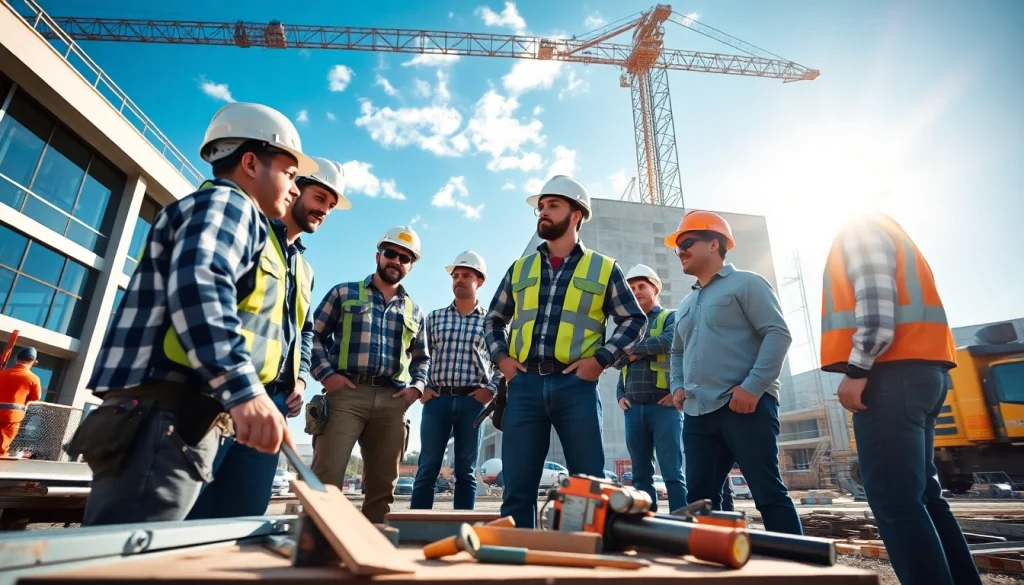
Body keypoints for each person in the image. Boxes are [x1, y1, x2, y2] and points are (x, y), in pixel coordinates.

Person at [68, 102, 316, 526]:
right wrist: (246, 393)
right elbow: (201, 285)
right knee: (130, 560)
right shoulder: (229, 206)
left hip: (167, 415)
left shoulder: (212, 208)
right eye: (290, 176)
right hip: (167, 417)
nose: (294, 189)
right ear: (251, 163)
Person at [822, 212, 980, 585]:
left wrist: (857, 371)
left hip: (889, 374)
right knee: (923, 498)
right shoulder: (893, 232)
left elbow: (876, 312)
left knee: (896, 502)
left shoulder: (860, 228)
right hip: (920, 373)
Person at [186, 157, 348, 520]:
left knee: (243, 517)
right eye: (319, 197)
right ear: (295, 188)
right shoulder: (249, 230)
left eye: (330, 205)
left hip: (274, 404)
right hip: (222, 394)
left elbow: (304, 332)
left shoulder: (304, 268)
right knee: (191, 514)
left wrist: (301, 378)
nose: (323, 210)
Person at [483, 175, 647, 528]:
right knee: (517, 486)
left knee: (588, 484)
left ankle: (586, 562)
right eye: (540, 207)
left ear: (576, 215)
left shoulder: (604, 268)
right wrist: (503, 360)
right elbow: (493, 319)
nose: (542, 212)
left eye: (552, 205)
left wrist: (601, 360)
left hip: (577, 387)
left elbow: (634, 320)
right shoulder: (520, 268)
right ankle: (517, 563)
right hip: (523, 386)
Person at [666, 210, 802, 535]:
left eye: (686, 242)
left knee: (768, 494)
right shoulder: (686, 303)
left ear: (714, 244)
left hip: (746, 408)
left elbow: (778, 334)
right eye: (677, 247)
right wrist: (677, 386)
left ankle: (800, 569)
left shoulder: (747, 283)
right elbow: (677, 351)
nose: (679, 251)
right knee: (700, 499)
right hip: (699, 413)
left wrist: (753, 387)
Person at [309, 226, 429, 524]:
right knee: (327, 477)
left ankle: (372, 550)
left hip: (392, 400)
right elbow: (312, 336)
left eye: (405, 257)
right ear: (378, 255)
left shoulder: (415, 310)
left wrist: (416, 389)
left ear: (411, 265)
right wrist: (327, 376)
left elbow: (422, 359)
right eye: (391, 253)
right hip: (345, 395)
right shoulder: (344, 292)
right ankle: (321, 546)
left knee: (382, 486)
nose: (396, 260)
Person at [411, 250, 501, 511]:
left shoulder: (490, 322)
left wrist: (491, 391)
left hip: (474, 403)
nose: (459, 280)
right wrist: (422, 386)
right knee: (427, 468)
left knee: (466, 471)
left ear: (480, 281)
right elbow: (416, 354)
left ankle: (461, 530)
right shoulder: (434, 318)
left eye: (466, 275)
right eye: (456, 276)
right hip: (437, 400)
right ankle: (418, 526)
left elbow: (500, 361)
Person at [614, 264, 686, 513]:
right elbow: (616, 362)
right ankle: (646, 527)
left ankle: (680, 526)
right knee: (641, 476)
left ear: (655, 288)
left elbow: (668, 342)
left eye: (641, 286)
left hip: (663, 407)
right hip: (633, 409)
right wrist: (620, 395)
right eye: (631, 288)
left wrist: (632, 351)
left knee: (672, 473)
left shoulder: (671, 317)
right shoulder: (627, 324)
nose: (636, 291)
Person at [0, 347, 42, 456]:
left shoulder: (2, 373)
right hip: (12, 416)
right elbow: (36, 397)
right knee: (2, 444)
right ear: (32, 361)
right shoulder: (33, 378)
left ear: (16, 359)